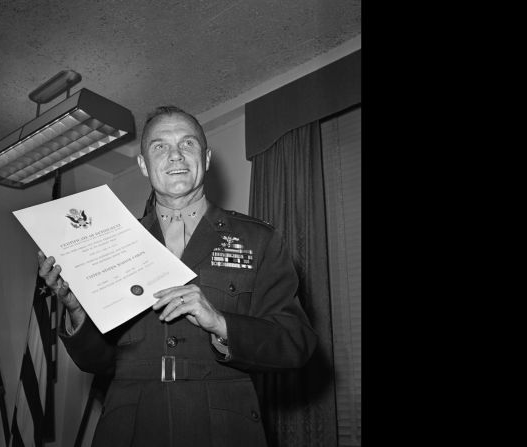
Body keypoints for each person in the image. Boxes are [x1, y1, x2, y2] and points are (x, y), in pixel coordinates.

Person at [37, 106, 317, 447]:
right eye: (159, 146)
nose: (175, 156)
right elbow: (96, 361)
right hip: (130, 424)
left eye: (188, 144)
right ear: (142, 165)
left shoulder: (259, 239)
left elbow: (295, 344)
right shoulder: (112, 242)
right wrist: (78, 310)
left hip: (224, 424)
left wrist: (220, 322)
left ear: (207, 157)